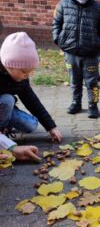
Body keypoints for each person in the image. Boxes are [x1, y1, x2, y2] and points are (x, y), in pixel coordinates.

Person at [52, 0, 100, 118]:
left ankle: (93, 104)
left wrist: (98, 45)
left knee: (92, 82)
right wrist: (59, 40)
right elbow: (56, 23)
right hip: (71, 53)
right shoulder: (64, 4)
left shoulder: (98, 8)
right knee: (74, 81)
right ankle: (75, 102)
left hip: (90, 54)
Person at [0, 32, 62, 161]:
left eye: (30, 72)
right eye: (24, 71)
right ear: (9, 65)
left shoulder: (21, 80)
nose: (26, 76)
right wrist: (10, 146)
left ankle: (5, 124)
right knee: (7, 100)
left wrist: (51, 127)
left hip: (5, 109)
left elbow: (33, 102)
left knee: (31, 125)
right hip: (4, 103)